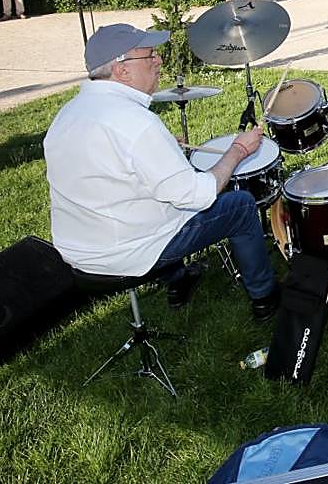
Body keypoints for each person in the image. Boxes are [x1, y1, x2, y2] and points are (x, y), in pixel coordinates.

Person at [44, 24, 280, 318]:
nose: (159, 61)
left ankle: (178, 279)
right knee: (240, 205)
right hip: (126, 253)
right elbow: (199, 195)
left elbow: (109, 168)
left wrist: (163, 149)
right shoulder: (136, 123)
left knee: (160, 198)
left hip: (79, 250)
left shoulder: (67, 114)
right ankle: (265, 297)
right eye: (150, 55)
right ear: (122, 70)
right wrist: (238, 150)